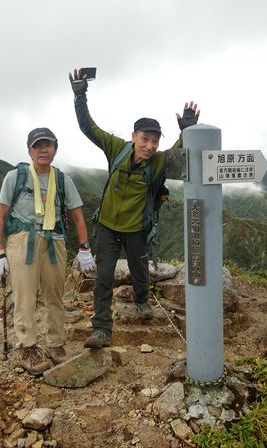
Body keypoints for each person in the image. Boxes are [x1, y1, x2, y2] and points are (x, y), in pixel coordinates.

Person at [69, 68, 200, 349]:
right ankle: (102, 329)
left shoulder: (158, 162)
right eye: (145, 139)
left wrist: (187, 130)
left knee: (140, 269)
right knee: (103, 277)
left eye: (155, 141)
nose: (150, 146)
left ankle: (142, 300)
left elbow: (178, 153)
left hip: (137, 228)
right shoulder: (116, 148)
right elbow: (89, 128)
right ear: (133, 136)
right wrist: (80, 97)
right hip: (107, 226)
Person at [0, 127, 95, 375]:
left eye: (48, 145)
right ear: (29, 151)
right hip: (22, 240)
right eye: (37, 146)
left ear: (55, 149)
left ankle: (56, 344)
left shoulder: (62, 180)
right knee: (25, 296)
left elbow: (78, 216)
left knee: (55, 295)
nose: (43, 150)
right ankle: (28, 348)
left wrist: (84, 248)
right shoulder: (15, 177)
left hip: (54, 240)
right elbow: (1, 215)